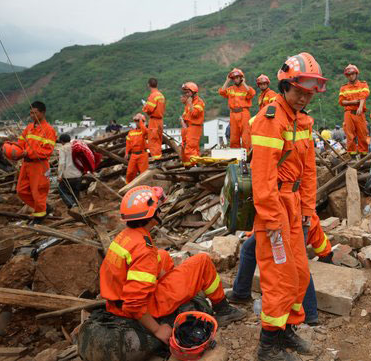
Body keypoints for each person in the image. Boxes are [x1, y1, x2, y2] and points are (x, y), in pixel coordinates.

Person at [250, 52, 326, 361]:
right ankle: (268, 345)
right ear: (285, 85)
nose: (304, 98)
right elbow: (263, 176)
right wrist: (271, 219)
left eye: (309, 93)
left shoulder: (303, 120)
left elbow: (308, 170)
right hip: (274, 206)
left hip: (294, 205)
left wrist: (308, 211)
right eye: (299, 92)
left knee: (298, 273)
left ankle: (287, 329)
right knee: (278, 278)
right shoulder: (271, 118)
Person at [100, 185, 245, 346]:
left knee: (162, 256)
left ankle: (175, 289)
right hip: (142, 307)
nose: (160, 210)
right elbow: (134, 304)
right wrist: (157, 329)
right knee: (202, 262)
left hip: (115, 303)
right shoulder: (144, 251)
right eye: (158, 208)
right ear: (152, 215)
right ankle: (223, 309)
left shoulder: (126, 236)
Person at [227, 212, 332, 327]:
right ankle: (241, 293)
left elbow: (321, 243)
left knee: (298, 267)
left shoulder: (308, 218)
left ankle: (310, 315)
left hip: (285, 221)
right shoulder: (310, 217)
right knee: (249, 249)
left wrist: (326, 255)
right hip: (280, 220)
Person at [15, 101, 57, 224]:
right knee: (21, 190)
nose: (32, 115)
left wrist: (28, 152)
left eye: (34, 113)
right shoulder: (29, 128)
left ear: (42, 112)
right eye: (30, 113)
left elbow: (47, 151)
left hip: (39, 165)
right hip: (26, 164)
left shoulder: (49, 130)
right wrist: (16, 151)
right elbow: (20, 143)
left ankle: (39, 217)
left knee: (38, 191)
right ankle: (43, 208)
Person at [219, 68, 255, 149]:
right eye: (234, 78)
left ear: (241, 78)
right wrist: (227, 81)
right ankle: (236, 157)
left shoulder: (246, 88)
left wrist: (244, 83)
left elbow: (252, 94)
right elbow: (221, 92)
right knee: (234, 136)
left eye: (237, 77)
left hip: (244, 113)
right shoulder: (231, 89)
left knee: (246, 136)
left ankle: (247, 157)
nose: (235, 79)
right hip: (233, 114)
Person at [339, 64, 370, 158]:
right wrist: (353, 102)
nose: (350, 76)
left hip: (359, 113)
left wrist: (360, 107)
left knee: (362, 135)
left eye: (352, 74)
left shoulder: (363, 84)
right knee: (350, 136)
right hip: (348, 113)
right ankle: (352, 156)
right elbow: (341, 101)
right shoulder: (343, 88)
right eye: (348, 75)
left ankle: (363, 155)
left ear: (356, 74)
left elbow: (363, 96)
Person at [181, 82, 205, 166]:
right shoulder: (188, 103)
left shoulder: (199, 102)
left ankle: (197, 165)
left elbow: (195, 114)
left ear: (193, 92)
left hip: (194, 127)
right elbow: (185, 116)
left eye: (188, 92)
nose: (186, 94)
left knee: (190, 148)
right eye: (185, 92)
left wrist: (190, 103)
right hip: (188, 127)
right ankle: (189, 166)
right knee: (191, 148)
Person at [142, 78, 166, 161]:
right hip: (160, 121)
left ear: (148, 85)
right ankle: (159, 159)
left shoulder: (153, 96)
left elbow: (149, 109)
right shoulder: (161, 95)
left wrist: (145, 106)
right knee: (158, 141)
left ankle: (157, 161)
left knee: (153, 141)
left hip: (154, 121)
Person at [57, 134, 82, 210]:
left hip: (68, 175)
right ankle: (77, 208)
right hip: (78, 174)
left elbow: (62, 163)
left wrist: (60, 175)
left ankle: (72, 205)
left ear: (62, 141)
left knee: (61, 190)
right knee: (75, 192)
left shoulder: (63, 149)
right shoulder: (76, 147)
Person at [125, 113, 149, 183]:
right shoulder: (131, 132)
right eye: (136, 121)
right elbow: (128, 143)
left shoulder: (144, 131)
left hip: (143, 155)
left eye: (138, 121)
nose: (137, 123)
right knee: (130, 173)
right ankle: (128, 187)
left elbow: (145, 130)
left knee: (144, 174)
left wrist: (141, 120)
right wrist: (126, 152)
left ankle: (145, 188)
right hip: (133, 155)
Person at [179, 93, 191, 167]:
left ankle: (190, 168)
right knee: (184, 156)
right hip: (185, 136)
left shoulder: (189, 107)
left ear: (186, 98)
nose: (180, 99)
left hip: (187, 135)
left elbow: (187, 124)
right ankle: (187, 167)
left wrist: (182, 121)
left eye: (181, 97)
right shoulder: (186, 107)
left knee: (188, 155)